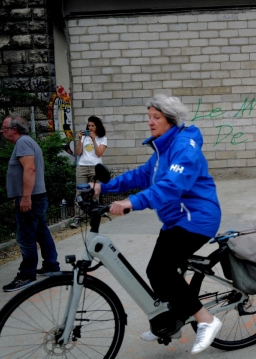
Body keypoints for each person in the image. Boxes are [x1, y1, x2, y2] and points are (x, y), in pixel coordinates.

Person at [91, 94, 223, 354]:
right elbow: (141, 175)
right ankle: (169, 322)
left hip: (197, 218)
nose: (150, 122)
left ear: (170, 120)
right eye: (149, 117)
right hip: (176, 219)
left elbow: (170, 187)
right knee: (156, 271)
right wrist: (102, 187)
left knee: (162, 270)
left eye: (156, 117)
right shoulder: (163, 149)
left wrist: (132, 202)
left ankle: (206, 320)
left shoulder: (185, 147)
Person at [1, 116, 60, 292]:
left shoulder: (23, 143)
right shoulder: (27, 142)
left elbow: (30, 169)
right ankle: (51, 265)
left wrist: (25, 197)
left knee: (25, 237)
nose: (1, 131)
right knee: (41, 232)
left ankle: (27, 274)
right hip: (34, 196)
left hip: (31, 198)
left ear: (14, 129)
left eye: (4, 127)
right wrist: (18, 195)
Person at [73, 116, 107, 227]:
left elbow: (99, 153)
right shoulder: (84, 137)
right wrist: (79, 140)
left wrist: (93, 140)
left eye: (92, 125)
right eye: (89, 125)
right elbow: (78, 152)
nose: (90, 127)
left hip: (95, 166)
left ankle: (94, 215)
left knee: (94, 192)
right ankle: (78, 217)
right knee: (79, 192)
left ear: (97, 126)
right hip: (82, 166)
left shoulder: (102, 138)